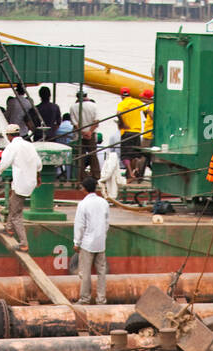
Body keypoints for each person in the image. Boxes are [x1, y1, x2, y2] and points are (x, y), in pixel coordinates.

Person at [0, 125, 42, 252]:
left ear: (8, 136)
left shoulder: (12, 147)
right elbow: (38, 164)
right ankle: (8, 228)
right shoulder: (29, 145)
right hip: (29, 182)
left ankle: (24, 244)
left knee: (16, 215)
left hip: (21, 184)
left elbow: (2, 166)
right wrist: (38, 178)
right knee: (13, 203)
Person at [73, 175, 109, 304]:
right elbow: (106, 223)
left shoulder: (83, 204)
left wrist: (76, 242)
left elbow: (79, 225)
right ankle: (101, 299)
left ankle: (85, 298)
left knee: (85, 272)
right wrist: (102, 236)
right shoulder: (104, 202)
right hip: (101, 243)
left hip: (87, 243)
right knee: (101, 273)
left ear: (84, 189)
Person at [69, 88, 100, 181]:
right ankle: (96, 176)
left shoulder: (73, 107)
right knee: (93, 155)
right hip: (91, 134)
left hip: (79, 135)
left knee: (80, 156)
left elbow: (75, 124)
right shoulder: (94, 106)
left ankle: (81, 177)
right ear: (86, 95)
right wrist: (90, 132)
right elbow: (96, 121)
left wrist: (83, 132)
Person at [116, 86, 144, 181]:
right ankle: (135, 169)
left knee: (125, 155)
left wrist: (123, 124)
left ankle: (130, 173)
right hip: (136, 131)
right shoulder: (136, 102)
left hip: (126, 132)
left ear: (121, 95)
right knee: (136, 154)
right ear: (129, 94)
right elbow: (146, 110)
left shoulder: (122, 104)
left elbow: (118, 113)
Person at [140, 88, 155, 176]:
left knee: (143, 155)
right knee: (145, 156)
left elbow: (155, 117)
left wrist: (149, 112)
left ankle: (139, 175)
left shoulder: (152, 107)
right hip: (147, 133)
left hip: (148, 135)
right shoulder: (150, 106)